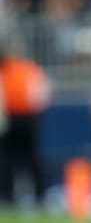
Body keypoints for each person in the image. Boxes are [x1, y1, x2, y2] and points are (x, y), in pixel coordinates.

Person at [0, 42, 51, 207]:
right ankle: (39, 195)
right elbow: (43, 93)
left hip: (13, 116)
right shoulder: (31, 68)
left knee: (10, 158)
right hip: (28, 117)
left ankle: (9, 196)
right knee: (30, 157)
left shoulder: (6, 69)